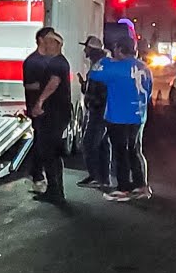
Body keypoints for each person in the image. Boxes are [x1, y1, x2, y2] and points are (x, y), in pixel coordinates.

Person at [89, 36, 152, 201]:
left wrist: (105, 59)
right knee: (135, 151)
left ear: (119, 49)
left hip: (119, 116)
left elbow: (94, 73)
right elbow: (149, 92)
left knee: (120, 152)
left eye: (115, 48)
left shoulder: (114, 67)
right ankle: (141, 185)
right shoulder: (145, 67)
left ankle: (123, 188)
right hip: (138, 115)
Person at [23, 27, 71, 203]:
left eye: (50, 43)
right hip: (57, 113)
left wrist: (39, 102)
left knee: (50, 152)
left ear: (57, 45)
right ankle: (55, 189)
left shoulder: (57, 63)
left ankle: (55, 191)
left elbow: (53, 83)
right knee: (51, 152)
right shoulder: (58, 62)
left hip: (53, 114)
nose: (47, 46)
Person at [76, 36, 113, 190]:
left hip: (99, 111)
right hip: (104, 111)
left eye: (86, 47)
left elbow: (100, 91)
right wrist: (85, 86)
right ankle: (104, 178)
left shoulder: (100, 66)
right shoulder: (102, 64)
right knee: (103, 145)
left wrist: (93, 101)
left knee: (89, 143)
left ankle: (96, 177)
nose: (84, 50)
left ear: (92, 50)